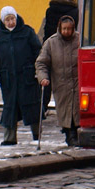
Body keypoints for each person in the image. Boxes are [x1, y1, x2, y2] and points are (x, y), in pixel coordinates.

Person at [0, 5, 42, 146]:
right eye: (7, 20)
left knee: (32, 106)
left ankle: (37, 134)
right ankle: (9, 138)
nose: (11, 22)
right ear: (3, 21)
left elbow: (38, 51)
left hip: (27, 77)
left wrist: (38, 70)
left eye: (12, 18)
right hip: (8, 79)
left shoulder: (27, 32)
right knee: (10, 108)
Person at [35, 14, 80, 146]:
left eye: (69, 29)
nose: (66, 31)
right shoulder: (51, 42)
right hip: (61, 85)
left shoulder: (79, 40)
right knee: (66, 112)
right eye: (64, 29)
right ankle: (69, 135)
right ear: (59, 28)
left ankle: (77, 134)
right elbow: (41, 63)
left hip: (78, 83)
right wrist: (43, 77)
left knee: (78, 110)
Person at [39, 0, 78, 113]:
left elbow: (46, 28)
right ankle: (68, 109)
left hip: (51, 44)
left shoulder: (50, 10)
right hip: (69, 44)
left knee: (48, 78)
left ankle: (43, 106)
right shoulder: (74, 11)